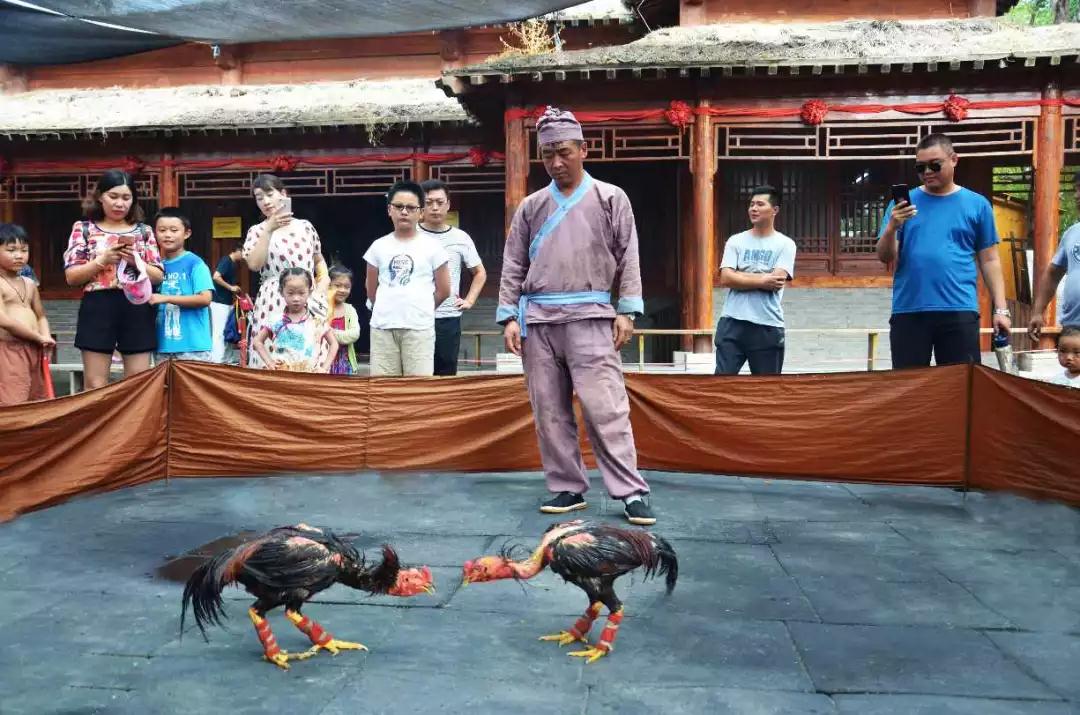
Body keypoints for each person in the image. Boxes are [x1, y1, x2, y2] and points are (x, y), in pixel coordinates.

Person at [497, 106, 655, 526]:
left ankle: (631, 490)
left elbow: (629, 255)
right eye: (547, 154)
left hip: (592, 316)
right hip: (539, 321)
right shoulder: (531, 206)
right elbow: (513, 263)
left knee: (606, 408)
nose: (556, 162)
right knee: (549, 411)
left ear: (584, 149)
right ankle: (567, 486)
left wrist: (628, 310)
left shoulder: (610, 197)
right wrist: (509, 316)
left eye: (564, 152)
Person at [876, 133, 1011, 368]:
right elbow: (885, 256)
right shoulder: (902, 206)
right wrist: (892, 227)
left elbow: (990, 260)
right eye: (920, 167)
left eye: (935, 165)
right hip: (909, 309)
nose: (927, 172)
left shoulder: (977, 205)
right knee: (909, 385)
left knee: (960, 384)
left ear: (954, 160)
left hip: (959, 308)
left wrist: (1001, 309)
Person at [63, 169, 164, 390]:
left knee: (137, 381)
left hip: (137, 305)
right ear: (100, 196)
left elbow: (158, 275)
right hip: (98, 305)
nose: (120, 203)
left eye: (126, 198)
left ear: (133, 200)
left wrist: (136, 261)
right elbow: (71, 276)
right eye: (113, 196)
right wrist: (103, 260)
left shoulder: (144, 231)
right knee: (95, 383)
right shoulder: (84, 229)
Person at [363, 181, 452, 377]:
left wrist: (421, 307)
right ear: (389, 210)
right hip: (383, 328)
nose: (404, 212)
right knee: (383, 388)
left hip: (419, 329)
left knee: (418, 389)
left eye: (411, 208)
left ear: (421, 212)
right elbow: (371, 289)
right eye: (398, 206)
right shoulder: (378, 246)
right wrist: (388, 305)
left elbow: (444, 290)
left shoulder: (433, 247)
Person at [242, 174, 329, 368]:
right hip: (274, 298)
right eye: (259, 197)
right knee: (273, 356)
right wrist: (268, 229)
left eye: (270, 194)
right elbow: (254, 265)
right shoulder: (256, 231)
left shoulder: (305, 227)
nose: (265, 201)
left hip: (307, 295)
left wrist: (323, 284)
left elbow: (319, 260)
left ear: (283, 194)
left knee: (311, 353)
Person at [714, 185, 797, 375]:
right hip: (732, 321)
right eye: (751, 204)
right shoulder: (735, 241)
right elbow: (726, 278)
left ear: (774, 210)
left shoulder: (786, 244)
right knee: (721, 384)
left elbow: (775, 282)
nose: (754, 208)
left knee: (766, 388)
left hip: (767, 324)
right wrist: (762, 280)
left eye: (760, 204)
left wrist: (740, 275)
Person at [418, 178, 487, 375]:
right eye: (429, 202)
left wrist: (469, 300)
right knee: (416, 374)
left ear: (448, 204)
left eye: (439, 202)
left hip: (448, 316)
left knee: (446, 373)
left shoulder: (461, 238)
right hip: (415, 316)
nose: (434, 208)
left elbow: (479, 272)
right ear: (421, 205)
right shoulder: (410, 234)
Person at [149, 208, 213, 362]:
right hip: (162, 346)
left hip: (193, 347)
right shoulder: (156, 268)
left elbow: (205, 299)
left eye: (174, 230)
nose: (167, 235)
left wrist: (165, 298)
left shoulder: (195, 263)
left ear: (187, 233)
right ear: (155, 234)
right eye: (162, 230)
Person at [0, 223, 54, 405]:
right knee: (13, 401)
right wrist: (38, 337)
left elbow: (40, 316)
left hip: (34, 348)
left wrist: (46, 337)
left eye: (24, 250)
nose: (19, 255)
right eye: (11, 250)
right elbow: (4, 320)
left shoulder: (29, 283)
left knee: (37, 398)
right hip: (9, 349)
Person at [252, 267, 337, 373]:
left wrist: (324, 368)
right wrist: (269, 363)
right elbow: (257, 341)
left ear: (310, 292)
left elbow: (334, 344)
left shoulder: (318, 321)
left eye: (301, 293)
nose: (296, 298)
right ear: (281, 292)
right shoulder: (276, 320)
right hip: (281, 376)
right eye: (290, 293)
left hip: (308, 377)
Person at [1029, 172, 1080, 341]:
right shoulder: (1072, 233)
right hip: (1073, 329)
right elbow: (1052, 273)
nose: (1077, 196)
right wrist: (1038, 311)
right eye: (1076, 189)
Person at [211, 245, 243, 363]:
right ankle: (217, 359)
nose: (244, 257)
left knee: (227, 330)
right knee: (219, 331)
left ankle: (227, 358)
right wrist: (231, 287)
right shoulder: (226, 260)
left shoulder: (233, 264)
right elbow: (216, 276)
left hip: (226, 302)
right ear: (238, 251)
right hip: (219, 302)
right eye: (244, 253)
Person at [327, 263, 361, 375]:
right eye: (337, 285)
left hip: (344, 365)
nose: (342, 290)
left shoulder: (350, 310)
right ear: (328, 285)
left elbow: (354, 334)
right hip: (323, 363)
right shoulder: (321, 308)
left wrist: (328, 334)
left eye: (347, 287)